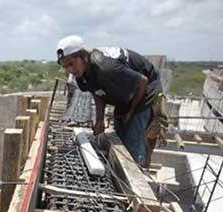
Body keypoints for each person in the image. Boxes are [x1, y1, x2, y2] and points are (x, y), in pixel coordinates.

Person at [56, 35, 168, 166]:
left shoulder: (106, 67)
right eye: (65, 66)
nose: (70, 69)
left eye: (71, 63)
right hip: (125, 94)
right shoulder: (81, 74)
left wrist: (131, 112)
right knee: (119, 136)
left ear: (83, 56)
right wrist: (99, 119)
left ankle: (138, 171)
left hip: (145, 93)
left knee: (133, 139)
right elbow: (97, 92)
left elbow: (142, 81)